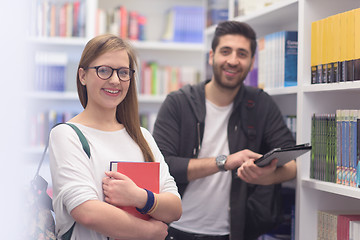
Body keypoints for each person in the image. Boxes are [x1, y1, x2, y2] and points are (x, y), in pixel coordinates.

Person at [152, 21, 297, 240]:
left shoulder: (260, 103)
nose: (232, 61)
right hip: (173, 229)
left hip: (233, 233)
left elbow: (292, 165)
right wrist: (224, 162)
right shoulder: (179, 102)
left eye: (242, 54)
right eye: (225, 51)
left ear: (251, 62)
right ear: (211, 56)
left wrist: (261, 177)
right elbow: (163, 165)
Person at [49, 34, 182, 240]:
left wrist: (139, 197)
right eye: (103, 70)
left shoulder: (142, 136)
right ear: (82, 76)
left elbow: (174, 207)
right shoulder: (67, 135)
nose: (115, 80)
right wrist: (149, 232)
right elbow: (87, 212)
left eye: (123, 72)